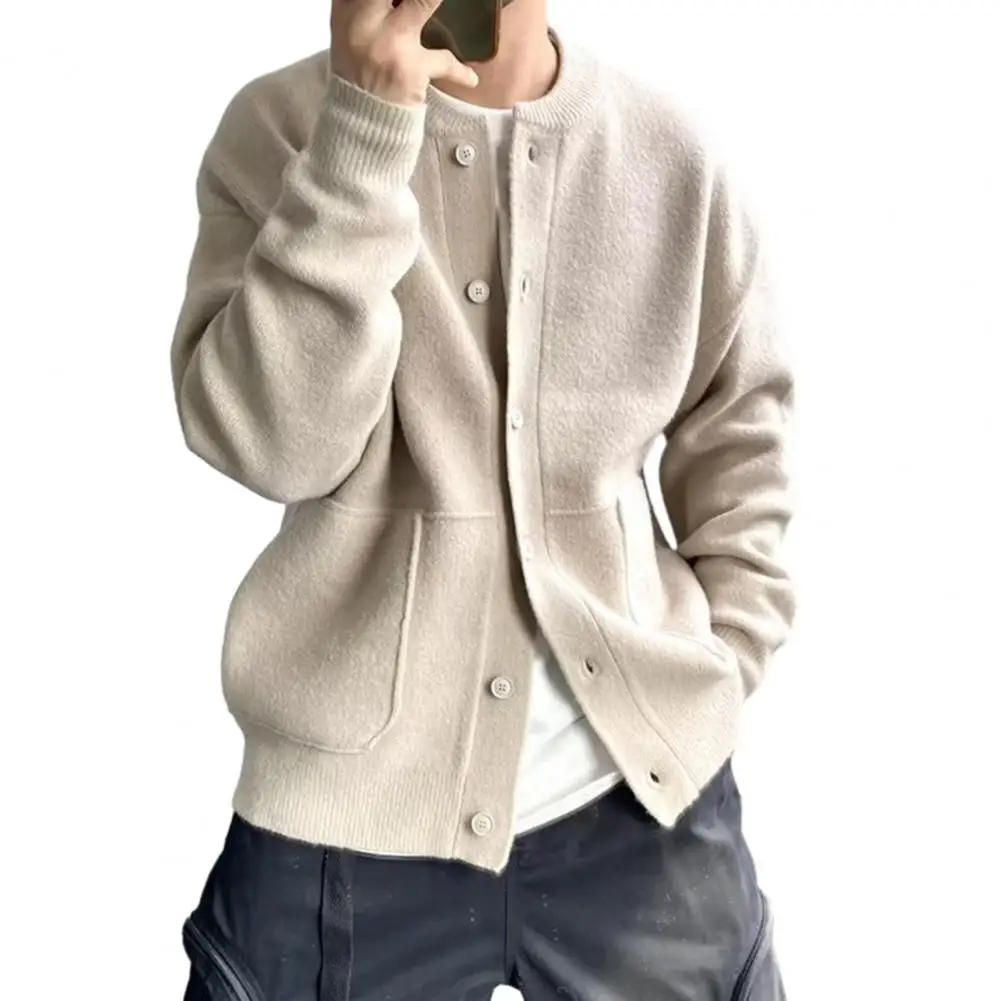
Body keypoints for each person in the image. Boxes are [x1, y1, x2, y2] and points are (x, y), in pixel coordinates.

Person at [168, 0, 796, 997]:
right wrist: (362, 134)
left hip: (641, 805)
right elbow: (270, 444)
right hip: (343, 820)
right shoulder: (281, 131)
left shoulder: (668, 152)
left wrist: (720, 660)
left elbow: (740, 427)